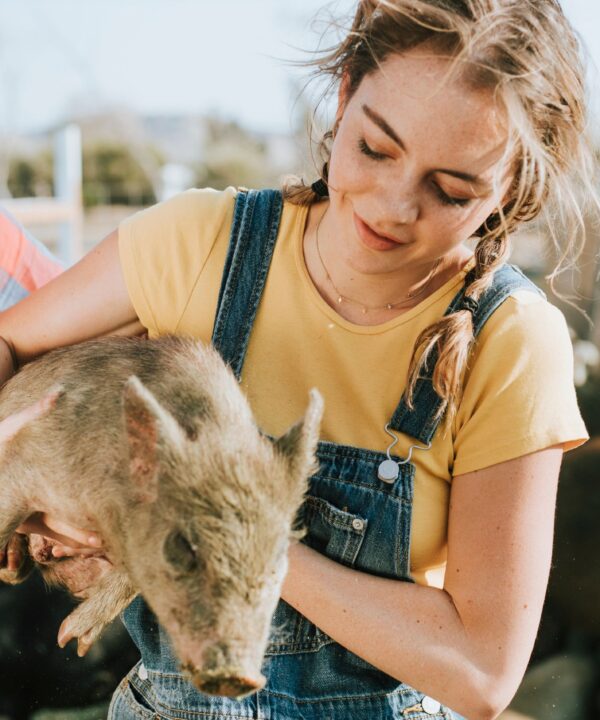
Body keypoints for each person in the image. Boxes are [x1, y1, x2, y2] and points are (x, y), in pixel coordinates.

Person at [0, 1, 594, 718]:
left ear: (514, 191)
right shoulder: (202, 245)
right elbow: (11, 347)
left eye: (451, 190)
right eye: (375, 148)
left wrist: (248, 543)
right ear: (344, 96)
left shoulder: (512, 341)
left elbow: (481, 673)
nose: (391, 206)